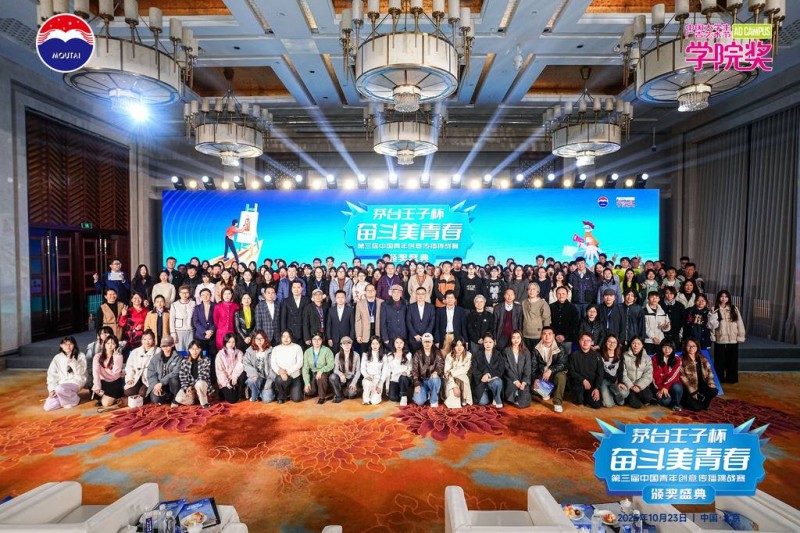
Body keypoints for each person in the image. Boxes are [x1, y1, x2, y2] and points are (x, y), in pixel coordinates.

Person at [711, 289, 746, 384]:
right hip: (720, 338)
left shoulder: (734, 308)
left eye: (726, 297)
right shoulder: (714, 308)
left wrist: (740, 336)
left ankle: (731, 378)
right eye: (721, 296)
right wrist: (713, 336)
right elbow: (712, 324)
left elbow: (739, 323)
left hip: (733, 338)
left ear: (729, 298)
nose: (724, 298)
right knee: (719, 360)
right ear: (718, 298)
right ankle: (719, 378)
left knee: (732, 360)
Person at [531, 327, 569, 412]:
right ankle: (546, 392)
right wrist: (535, 378)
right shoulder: (536, 348)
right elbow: (533, 366)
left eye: (549, 334)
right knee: (531, 388)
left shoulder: (560, 348)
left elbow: (563, 364)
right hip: (542, 375)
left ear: (554, 336)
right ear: (541, 336)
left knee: (562, 376)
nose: (547, 336)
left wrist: (551, 370)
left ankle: (557, 403)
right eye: (544, 334)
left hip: (554, 375)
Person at [44, 336, 87, 411]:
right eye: (65, 344)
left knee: (59, 389)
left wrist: (73, 362)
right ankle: (67, 399)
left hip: (75, 382)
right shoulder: (57, 358)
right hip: (61, 384)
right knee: (48, 407)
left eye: (70, 344)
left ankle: (74, 400)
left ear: (74, 345)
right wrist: (52, 389)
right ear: (61, 345)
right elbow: (52, 374)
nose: (68, 346)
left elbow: (82, 372)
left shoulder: (80, 355)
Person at [680, 337, 718, 411]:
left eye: (693, 346)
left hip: (701, 384)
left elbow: (709, 371)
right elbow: (682, 377)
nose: (691, 348)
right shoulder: (681, 359)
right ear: (685, 347)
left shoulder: (702, 358)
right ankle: (688, 400)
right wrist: (692, 391)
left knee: (713, 391)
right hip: (689, 387)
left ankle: (703, 402)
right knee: (696, 408)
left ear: (697, 347)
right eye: (689, 346)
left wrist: (711, 382)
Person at [568, 333, 603, 409]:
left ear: (592, 342)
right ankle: (580, 399)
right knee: (580, 400)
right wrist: (583, 380)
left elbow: (600, 373)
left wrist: (597, 388)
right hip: (578, 382)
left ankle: (586, 397)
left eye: (588, 340)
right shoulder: (574, 355)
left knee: (597, 405)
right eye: (583, 340)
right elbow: (571, 371)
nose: (585, 342)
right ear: (579, 341)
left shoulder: (597, 355)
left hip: (592, 384)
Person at [471, 333, 505, 408]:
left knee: (498, 382)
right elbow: (474, 369)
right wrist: (483, 376)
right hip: (482, 383)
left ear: (494, 342)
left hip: (493, 381)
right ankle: (490, 396)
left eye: (490, 342)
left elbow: (501, 369)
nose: (488, 344)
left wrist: (489, 375)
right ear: (483, 343)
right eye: (486, 342)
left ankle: (497, 398)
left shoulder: (498, 354)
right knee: (483, 402)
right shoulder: (478, 354)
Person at [124, 330, 160, 400]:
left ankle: (142, 398)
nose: (147, 341)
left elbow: (159, 368)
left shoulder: (158, 351)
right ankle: (138, 399)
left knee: (143, 393)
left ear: (153, 340)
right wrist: (130, 378)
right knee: (128, 391)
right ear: (141, 340)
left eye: (149, 339)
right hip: (137, 377)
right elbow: (129, 366)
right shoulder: (135, 351)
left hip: (150, 379)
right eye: (144, 339)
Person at [270, 330, 305, 404]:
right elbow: (273, 364)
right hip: (281, 376)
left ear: (291, 337)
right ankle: (281, 396)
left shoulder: (297, 347)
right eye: (284, 336)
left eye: (288, 336)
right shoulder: (276, 349)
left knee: (296, 399)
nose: (286, 339)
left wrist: (287, 372)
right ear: (281, 338)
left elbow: (300, 363)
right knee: (279, 380)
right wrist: (280, 371)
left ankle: (291, 390)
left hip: (295, 376)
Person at [146, 336, 182, 405]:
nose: (165, 347)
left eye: (168, 345)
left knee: (174, 379)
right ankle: (166, 396)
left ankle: (175, 399)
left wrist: (162, 383)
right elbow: (151, 373)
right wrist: (155, 384)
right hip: (159, 384)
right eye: (163, 346)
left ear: (172, 345)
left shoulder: (178, 357)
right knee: (156, 400)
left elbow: (176, 372)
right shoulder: (156, 358)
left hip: (172, 385)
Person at [176, 341, 213, 407]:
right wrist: (187, 388)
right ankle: (194, 399)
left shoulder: (206, 360)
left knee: (200, 383)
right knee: (178, 398)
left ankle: (204, 403)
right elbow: (182, 377)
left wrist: (192, 387)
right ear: (189, 350)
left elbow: (203, 376)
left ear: (200, 350)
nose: (194, 351)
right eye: (192, 349)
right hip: (190, 388)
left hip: (200, 386)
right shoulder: (184, 361)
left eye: (197, 349)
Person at [243, 330, 277, 403]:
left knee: (267, 399)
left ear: (265, 339)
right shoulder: (250, 350)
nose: (259, 340)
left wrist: (269, 382)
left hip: (267, 378)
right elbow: (246, 364)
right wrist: (253, 374)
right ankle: (256, 393)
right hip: (257, 378)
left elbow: (274, 367)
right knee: (250, 380)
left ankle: (258, 393)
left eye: (261, 338)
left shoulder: (271, 350)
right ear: (254, 339)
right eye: (257, 338)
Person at [92, 334, 124, 410]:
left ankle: (115, 397)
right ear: (104, 344)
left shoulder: (119, 356)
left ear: (116, 345)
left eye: (113, 343)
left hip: (114, 382)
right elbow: (95, 371)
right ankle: (105, 396)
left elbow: (115, 373)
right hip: (103, 382)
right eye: (108, 343)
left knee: (106, 404)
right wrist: (97, 385)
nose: (110, 346)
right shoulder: (98, 356)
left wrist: (116, 357)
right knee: (94, 388)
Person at [411, 332, 444, 407]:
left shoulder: (437, 353)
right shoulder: (417, 353)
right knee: (419, 401)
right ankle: (427, 394)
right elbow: (414, 370)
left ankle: (434, 400)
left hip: (432, 380)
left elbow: (441, 365)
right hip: (422, 381)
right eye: (425, 341)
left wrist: (436, 372)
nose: (427, 344)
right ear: (422, 343)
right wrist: (416, 383)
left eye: (429, 341)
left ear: (432, 343)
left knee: (435, 379)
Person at [302, 331, 335, 404]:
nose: (316, 341)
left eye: (319, 339)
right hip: (313, 373)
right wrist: (307, 383)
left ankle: (321, 397)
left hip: (324, 372)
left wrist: (321, 370)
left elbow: (331, 364)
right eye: (314, 339)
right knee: (309, 392)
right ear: (311, 340)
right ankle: (319, 388)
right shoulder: (307, 352)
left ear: (322, 340)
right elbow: (305, 369)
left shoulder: (327, 350)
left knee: (321, 377)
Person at [621, 337, 654, 408]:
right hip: (629, 386)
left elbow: (648, 375)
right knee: (636, 405)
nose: (636, 345)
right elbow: (623, 373)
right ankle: (631, 396)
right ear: (630, 344)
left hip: (640, 386)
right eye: (633, 343)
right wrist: (631, 386)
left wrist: (639, 386)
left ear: (642, 345)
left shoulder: (647, 358)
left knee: (648, 397)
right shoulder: (624, 356)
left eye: (639, 344)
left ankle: (637, 396)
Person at [502, 331, 532, 409]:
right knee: (511, 391)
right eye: (513, 337)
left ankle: (519, 395)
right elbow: (506, 368)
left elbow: (528, 368)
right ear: (510, 339)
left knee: (524, 402)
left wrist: (524, 382)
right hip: (511, 378)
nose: (516, 340)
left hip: (522, 378)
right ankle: (514, 396)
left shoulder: (526, 352)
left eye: (518, 337)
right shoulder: (506, 351)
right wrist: (515, 381)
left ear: (521, 339)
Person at [651, 339, 683, 411]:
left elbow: (674, 376)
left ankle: (676, 404)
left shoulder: (677, 359)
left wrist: (665, 387)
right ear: (661, 347)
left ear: (673, 348)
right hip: (659, 385)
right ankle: (660, 399)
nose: (667, 349)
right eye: (664, 347)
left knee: (677, 387)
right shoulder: (655, 358)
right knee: (665, 401)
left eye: (669, 347)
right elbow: (655, 376)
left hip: (671, 384)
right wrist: (660, 388)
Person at [598, 335, 628, 408]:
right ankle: (610, 393)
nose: (612, 344)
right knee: (608, 404)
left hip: (616, 380)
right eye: (609, 341)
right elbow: (601, 371)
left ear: (617, 344)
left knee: (624, 393)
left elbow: (620, 370)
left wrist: (620, 382)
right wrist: (614, 380)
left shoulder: (620, 355)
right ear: (606, 343)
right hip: (604, 380)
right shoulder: (599, 354)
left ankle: (614, 392)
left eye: (614, 342)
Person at [443, 337, 473, 408]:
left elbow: (465, 368)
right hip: (451, 380)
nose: (459, 348)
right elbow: (446, 373)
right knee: (453, 403)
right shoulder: (449, 356)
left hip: (464, 379)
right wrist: (453, 386)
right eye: (457, 345)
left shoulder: (468, 355)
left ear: (464, 346)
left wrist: (451, 372)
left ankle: (464, 398)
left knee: (463, 377)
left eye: (461, 345)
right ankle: (458, 395)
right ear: (453, 347)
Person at [521, 283, 551, 353]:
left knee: (537, 355)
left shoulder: (543, 303)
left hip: (538, 335)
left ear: (538, 291)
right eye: (529, 289)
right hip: (525, 334)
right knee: (526, 354)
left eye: (534, 289)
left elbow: (546, 320)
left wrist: (545, 334)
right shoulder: (523, 302)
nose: (531, 291)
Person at [216, 333, 246, 403]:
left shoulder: (239, 353)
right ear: (225, 342)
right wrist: (226, 383)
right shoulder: (220, 355)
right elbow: (220, 371)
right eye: (229, 342)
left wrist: (234, 376)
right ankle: (222, 392)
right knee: (232, 400)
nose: (231, 344)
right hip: (225, 380)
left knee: (243, 374)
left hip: (235, 378)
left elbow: (240, 365)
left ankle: (238, 391)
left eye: (233, 342)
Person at [434, 290, 467, 355]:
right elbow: (437, 326)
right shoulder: (439, 311)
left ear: (455, 299)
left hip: (456, 337)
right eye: (448, 298)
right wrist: (437, 340)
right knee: (443, 356)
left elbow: (463, 327)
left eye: (452, 298)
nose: (450, 299)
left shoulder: (460, 311)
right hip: (444, 337)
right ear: (445, 299)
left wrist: (466, 340)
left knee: (456, 356)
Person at [330, 336, 361, 403]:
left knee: (351, 395)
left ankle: (349, 390)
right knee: (332, 377)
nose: (347, 345)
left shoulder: (356, 355)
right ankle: (339, 395)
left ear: (351, 344)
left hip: (352, 378)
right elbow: (335, 369)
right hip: (342, 378)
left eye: (349, 343)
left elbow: (358, 371)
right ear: (341, 345)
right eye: (344, 343)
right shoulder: (337, 355)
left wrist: (354, 382)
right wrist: (341, 374)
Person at [549, 286, 579, 354]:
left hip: (568, 339)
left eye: (563, 294)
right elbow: (549, 322)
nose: (561, 295)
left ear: (567, 295)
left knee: (567, 356)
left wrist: (564, 336)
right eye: (559, 294)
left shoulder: (573, 307)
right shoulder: (551, 306)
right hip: (554, 338)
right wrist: (555, 335)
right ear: (556, 295)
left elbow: (575, 324)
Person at [355, 284, 383, 354]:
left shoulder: (381, 302)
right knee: (364, 354)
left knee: (378, 354)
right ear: (365, 292)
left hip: (378, 331)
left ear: (375, 291)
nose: (370, 292)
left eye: (372, 290)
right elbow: (358, 320)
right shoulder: (360, 303)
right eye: (368, 290)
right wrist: (358, 335)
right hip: (365, 333)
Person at [407, 286, 435, 353]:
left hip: (427, 338)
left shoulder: (431, 307)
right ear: (416, 295)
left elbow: (432, 321)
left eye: (422, 294)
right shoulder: (410, 306)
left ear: (426, 295)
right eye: (418, 294)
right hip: (414, 338)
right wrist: (415, 335)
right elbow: (408, 321)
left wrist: (425, 335)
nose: (420, 296)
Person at [360, 335, 387, 405]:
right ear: (370, 345)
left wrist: (380, 385)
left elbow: (385, 372)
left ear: (380, 344)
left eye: (377, 343)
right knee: (367, 384)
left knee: (374, 402)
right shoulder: (365, 355)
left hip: (378, 379)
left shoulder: (384, 356)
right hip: (368, 377)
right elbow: (362, 369)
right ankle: (366, 398)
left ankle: (373, 395)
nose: (375, 346)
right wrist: (366, 376)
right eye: (373, 343)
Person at [386, 336, 412, 405]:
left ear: (404, 344)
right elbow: (388, 372)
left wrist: (406, 372)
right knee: (393, 398)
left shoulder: (408, 354)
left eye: (401, 343)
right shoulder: (389, 355)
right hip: (394, 379)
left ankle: (404, 397)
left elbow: (410, 367)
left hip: (405, 378)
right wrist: (387, 387)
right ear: (394, 344)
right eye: (397, 342)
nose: (399, 345)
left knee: (403, 378)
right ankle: (402, 394)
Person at [381, 285, 408, 350]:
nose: (396, 294)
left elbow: (408, 320)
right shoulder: (385, 304)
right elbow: (383, 322)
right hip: (390, 335)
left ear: (401, 293)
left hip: (403, 335)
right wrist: (385, 337)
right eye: (394, 292)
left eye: (398, 292)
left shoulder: (405, 303)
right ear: (391, 293)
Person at [170, 286, 196, 352]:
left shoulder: (193, 303)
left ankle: (188, 359)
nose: (184, 294)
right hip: (179, 331)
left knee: (190, 350)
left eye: (186, 292)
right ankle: (182, 359)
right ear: (179, 294)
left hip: (191, 331)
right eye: (182, 293)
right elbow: (171, 321)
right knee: (181, 350)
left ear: (189, 294)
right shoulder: (174, 305)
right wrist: (173, 334)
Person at [214, 287, 240, 352]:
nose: (227, 296)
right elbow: (215, 320)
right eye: (225, 294)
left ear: (232, 295)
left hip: (232, 332)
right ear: (222, 295)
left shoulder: (236, 306)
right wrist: (221, 327)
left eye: (229, 294)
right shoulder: (218, 306)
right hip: (221, 333)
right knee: (221, 352)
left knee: (231, 351)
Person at [192, 288, 216, 352]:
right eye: (203, 295)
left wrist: (211, 331)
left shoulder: (216, 306)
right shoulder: (197, 308)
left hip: (212, 336)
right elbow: (195, 322)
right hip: (200, 336)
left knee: (213, 354)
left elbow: (217, 321)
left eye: (207, 294)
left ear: (211, 295)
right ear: (200, 297)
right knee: (201, 354)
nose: (205, 296)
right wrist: (205, 331)